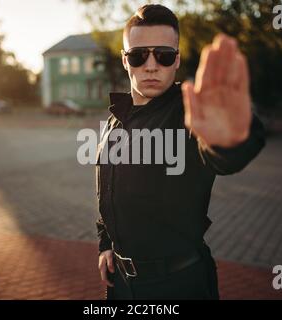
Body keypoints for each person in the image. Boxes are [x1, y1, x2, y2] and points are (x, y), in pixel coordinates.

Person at [95, 4, 265, 300]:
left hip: (179, 285)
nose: (150, 66)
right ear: (125, 61)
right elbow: (109, 191)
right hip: (120, 285)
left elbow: (222, 156)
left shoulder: (187, 112)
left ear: (177, 60)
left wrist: (230, 140)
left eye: (163, 55)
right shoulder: (114, 120)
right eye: (138, 56)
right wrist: (106, 244)